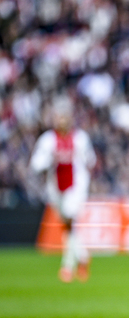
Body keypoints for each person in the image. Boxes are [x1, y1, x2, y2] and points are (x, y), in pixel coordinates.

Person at [30, 100, 96, 283]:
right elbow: (36, 163)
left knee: (69, 218)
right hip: (55, 187)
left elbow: (90, 160)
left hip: (75, 186)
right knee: (67, 225)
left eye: (65, 117)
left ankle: (67, 267)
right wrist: (47, 162)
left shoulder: (80, 138)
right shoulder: (48, 139)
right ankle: (82, 256)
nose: (62, 121)